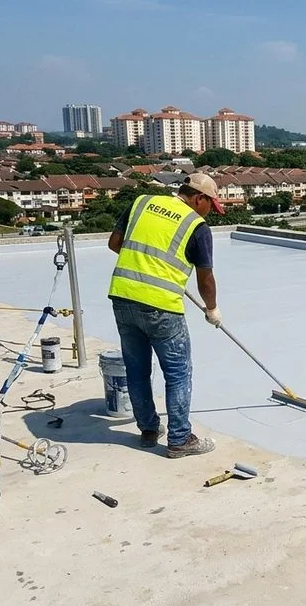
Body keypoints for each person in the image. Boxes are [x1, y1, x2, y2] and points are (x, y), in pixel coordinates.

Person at [107, 174, 225, 458]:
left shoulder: (141, 203)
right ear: (200, 198)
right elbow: (205, 278)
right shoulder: (196, 225)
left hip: (123, 297)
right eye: (212, 205)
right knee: (178, 374)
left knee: (136, 370)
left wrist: (149, 266)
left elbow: (114, 243)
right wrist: (212, 309)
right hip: (162, 307)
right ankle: (180, 439)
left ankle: (148, 430)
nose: (211, 211)